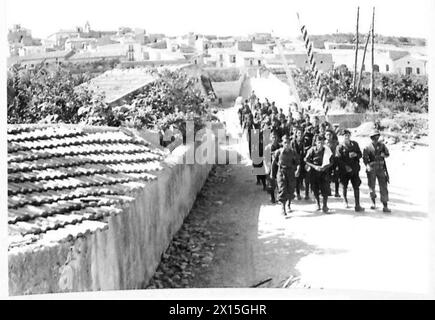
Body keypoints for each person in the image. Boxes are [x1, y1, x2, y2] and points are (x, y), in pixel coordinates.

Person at [271, 134, 301, 216]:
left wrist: (298, 170)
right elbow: (274, 164)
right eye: (285, 142)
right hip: (281, 172)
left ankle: (289, 205)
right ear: (282, 143)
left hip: (291, 173)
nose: (287, 144)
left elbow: (298, 163)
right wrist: (272, 175)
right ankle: (283, 208)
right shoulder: (278, 152)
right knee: (282, 190)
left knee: (290, 190)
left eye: (288, 142)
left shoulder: (293, 152)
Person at [363, 130, 391, 213]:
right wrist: (367, 166)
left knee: (383, 187)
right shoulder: (367, 147)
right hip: (372, 169)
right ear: (371, 138)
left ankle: (385, 205)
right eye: (374, 137)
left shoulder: (382, 146)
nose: (375, 138)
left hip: (381, 168)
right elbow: (365, 159)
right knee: (372, 187)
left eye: (377, 137)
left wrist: (384, 155)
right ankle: (373, 203)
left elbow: (387, 154)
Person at [336, 129, 364, 212]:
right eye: (345, 135)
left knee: (356, 186)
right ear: (342, 137)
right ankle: (345, 201)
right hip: (344, 171)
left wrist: (356, 154)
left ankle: (357, 205)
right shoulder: (339, 147)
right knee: (344, 186)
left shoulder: (355, 144)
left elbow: (360, 154)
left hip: (354, 169)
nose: (347, 137)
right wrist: (346, 166)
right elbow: (338, 159)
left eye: (348, 135)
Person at [304, 135, 333, 213]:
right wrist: (315, 167)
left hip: (324, 172)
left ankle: (325, 205)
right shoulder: (311, 150)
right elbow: (306, 160)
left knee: (325, 189)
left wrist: (325, 167)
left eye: (322, 142)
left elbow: (332, 161)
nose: (320, 144)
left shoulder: (327, 150)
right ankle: (317, 204)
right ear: (316, 143)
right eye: (319, 142)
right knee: (315, 188)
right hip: (314, 172)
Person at [264, 131, 281, 203]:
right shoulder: (267, 147)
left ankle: (279, 197)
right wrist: (266, 168)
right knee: (271, 183)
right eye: (272, 137)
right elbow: (265, 159)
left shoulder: (280, 146)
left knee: (279, 182)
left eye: (275, 137)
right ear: (270, 138)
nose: (274, 139)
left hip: (278, 166)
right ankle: (272, 197)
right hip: (270, 166)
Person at [291, 127, 306, 200]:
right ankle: (297, 193)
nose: (300, 135)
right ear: (296, 134)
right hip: (294, 162)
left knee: (300, 178)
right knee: (295, 178)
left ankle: (299, 192)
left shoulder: (303, 142)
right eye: (298, 133)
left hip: (301, 161)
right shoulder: (293, 142)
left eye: (301, 133)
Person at [325, 129, 341, 198]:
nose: (329, 136)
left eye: (330, 135)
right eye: (327, 135)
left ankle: (337, 192)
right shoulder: (324, 143)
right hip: (327, 161)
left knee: (336, 176)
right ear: (325, 136)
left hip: (335, 160)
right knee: (327, 176)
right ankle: (328, 191)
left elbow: (338, 151)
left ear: (332, 136)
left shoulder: (335, 142)